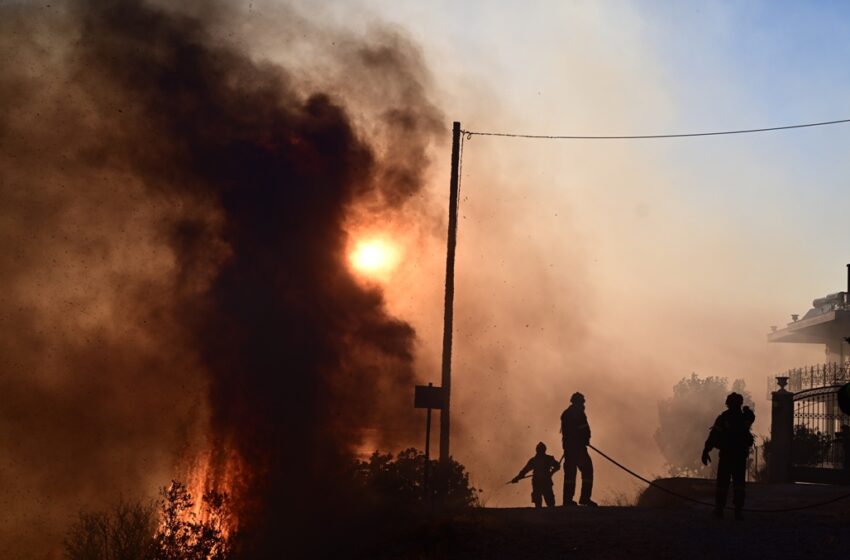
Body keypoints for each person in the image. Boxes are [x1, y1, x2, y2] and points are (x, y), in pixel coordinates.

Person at [701, 392, 755, 520]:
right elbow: (751, 418)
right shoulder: (744, 418)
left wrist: (706, 450)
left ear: (727, 404)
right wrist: (747, 410)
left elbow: (713, 435)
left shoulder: (723, 418)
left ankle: (719, 509)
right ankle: (737, 511)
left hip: (726, 455)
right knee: (739, 484)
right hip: (739, 456)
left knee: (723, 483)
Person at [560, 392, 597, 506]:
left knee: (570, 475)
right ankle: (584, 498)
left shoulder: (566, 413)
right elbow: (583, 429)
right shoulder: (578, 413)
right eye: (582, 402)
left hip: (570, 448)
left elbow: (568, 432)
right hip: (578, 448)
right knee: (587, 471)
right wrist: (585, 439)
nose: (583, 404)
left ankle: (567, 500)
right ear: (578, 402)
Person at [511, 441, 560, 508]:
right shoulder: (542, 459)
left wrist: (551, 473)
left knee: (548, 503)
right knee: (543, 503)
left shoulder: (540, 460)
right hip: (541, 482)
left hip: (542, 482)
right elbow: (524, 471)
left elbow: (557, 466)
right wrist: (517, 478)